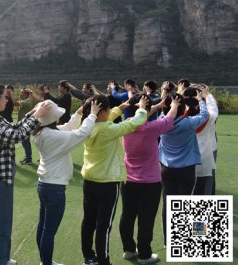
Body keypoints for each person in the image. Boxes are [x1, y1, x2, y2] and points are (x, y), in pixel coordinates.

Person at [0, 83, 50, 265]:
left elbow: (16, 128)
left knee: (3, 222)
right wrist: (37, 117)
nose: (7, 100)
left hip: (2, 176)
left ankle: (1, 258)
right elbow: (14, 136)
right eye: (4, 97)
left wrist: (33, 113)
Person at [80, 95, 148, 265]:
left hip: (89, 180)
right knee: (104, 225)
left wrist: (120, 108)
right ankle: (104, 261)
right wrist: (141, 108)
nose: (110, 112)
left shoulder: (88, 125)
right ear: (102, 111)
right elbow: (132, 124)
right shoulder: (108, 129)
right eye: (109, 109)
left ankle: (89, 257)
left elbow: (105, 119)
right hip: (107, 183)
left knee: (89, 220)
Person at [32, 101, 100, 265]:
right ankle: (46, 263)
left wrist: (78, 114)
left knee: (43, 227)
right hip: (54, 188)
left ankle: (45, 261)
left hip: (44, 184)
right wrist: (92, 114)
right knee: (49, 231)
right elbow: (82, 133)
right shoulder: (53, 136)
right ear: (52, 119)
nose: (59, 119)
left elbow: (68, 128)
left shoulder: (42, 131)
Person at [119, 94, 181, 265]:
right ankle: (145, 255)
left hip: (128, 181)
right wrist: (174, 103)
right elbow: (170, 118)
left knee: (128, 216)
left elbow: (142, 115)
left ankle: (129, 250)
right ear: (144, 111)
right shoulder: (151, 128)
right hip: (149, 184)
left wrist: (155, 105)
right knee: (146, 220)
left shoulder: (125, 125)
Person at [158, 91, 208, 244]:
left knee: (168, 203)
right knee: (185, 203)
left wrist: (168, 99)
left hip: (166, 169)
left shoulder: (161, 122)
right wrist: (201, 100)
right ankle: (184, 238)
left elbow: (162, 110)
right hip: (186, 170)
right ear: (183, 109)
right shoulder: (189, 123)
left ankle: (169, 240)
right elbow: (205, 115)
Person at [190, 85, 218, 195]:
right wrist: (207, 95)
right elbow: (213, 108)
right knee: (205, 187)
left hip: (186, 158)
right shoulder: (209, 117)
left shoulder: (182, 119)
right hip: (206, 155)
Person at [18, 88, 43, 164]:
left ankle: (29, 159)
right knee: (25, 141)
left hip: (27, 124)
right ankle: (28, 157)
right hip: (26, 124)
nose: (20, 94)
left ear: (26, 94)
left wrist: (11, 94)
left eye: (22, 92)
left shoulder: (28, 101)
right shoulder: (28, 100)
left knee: (26, 141)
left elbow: (15, 103)